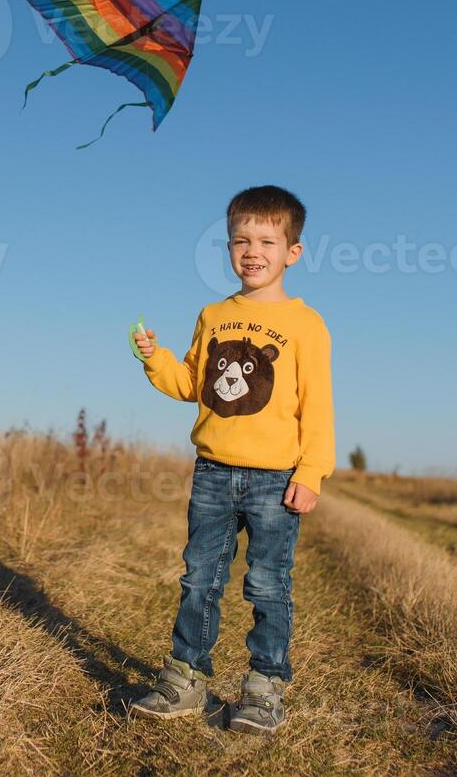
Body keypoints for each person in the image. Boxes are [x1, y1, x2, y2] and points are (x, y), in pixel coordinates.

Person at [129, 185, 335, 735]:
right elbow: (193, 384)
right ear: (227, 247)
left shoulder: (306, 324)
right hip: (214, 473)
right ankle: (186, 678)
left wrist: (311, 472)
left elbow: (318, 406)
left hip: (276, 479)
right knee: (201, 578)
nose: (252, 250)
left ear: (292, 251)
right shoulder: (213, 315)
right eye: (241, 239)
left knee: (269, 584)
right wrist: (156, 359)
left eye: (267, 240)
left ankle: (264, 688)